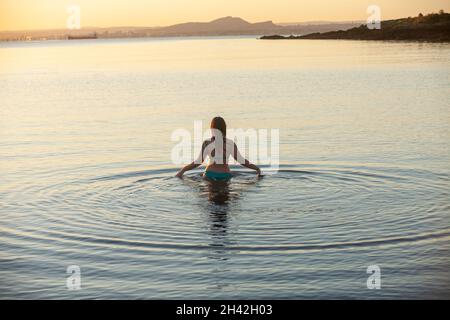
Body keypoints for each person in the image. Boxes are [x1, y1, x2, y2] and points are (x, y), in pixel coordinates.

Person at [175, 116, 261, 180]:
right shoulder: (230, 143)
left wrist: (182, 170)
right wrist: (256, 168)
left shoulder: (207, 143)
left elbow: (198, 162)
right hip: (225, 174)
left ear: (212, 128)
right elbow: (242, 161)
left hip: (209, 174)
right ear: (224, 128)